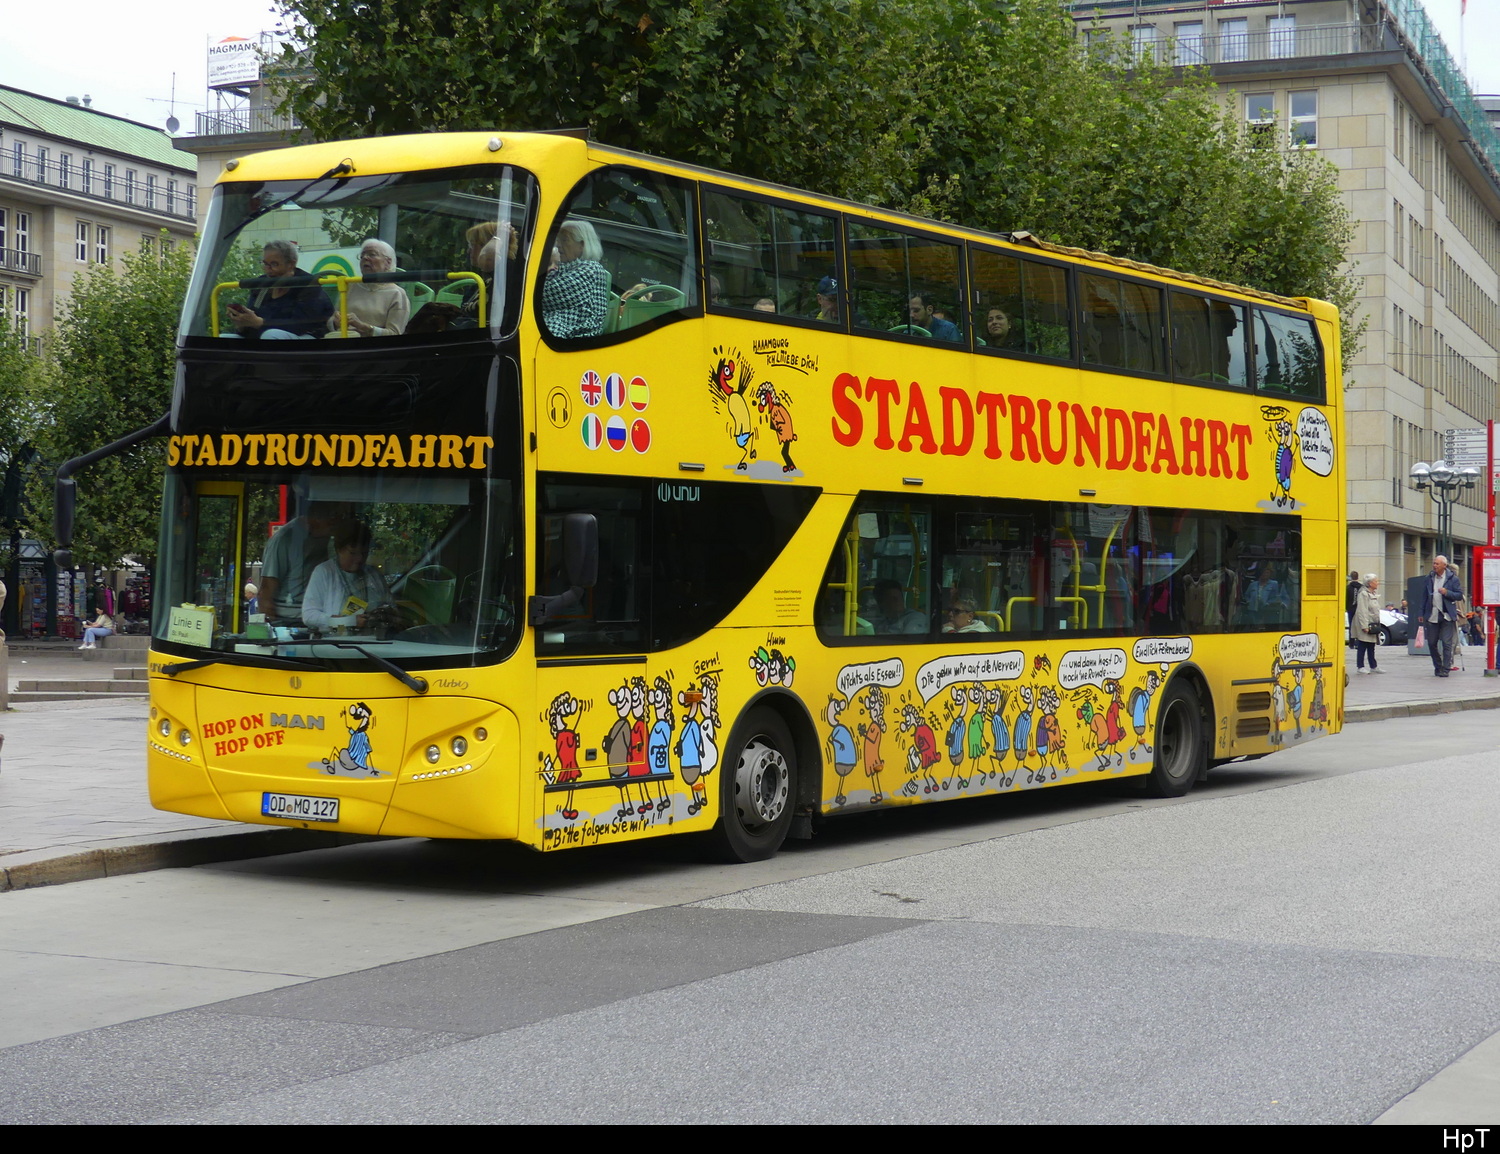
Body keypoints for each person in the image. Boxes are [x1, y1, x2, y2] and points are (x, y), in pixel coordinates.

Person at [225, 240, 334, 339]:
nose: (268, 270)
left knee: (271, 335)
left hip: (306, 337)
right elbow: (253, 318)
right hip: (263, 335)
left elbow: (301, 325)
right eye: (265, 264)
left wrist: (260, 323)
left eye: (274, 264)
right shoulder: (262, 284)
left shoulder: (308, 284)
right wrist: (242, 323)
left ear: (291, 264)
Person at [260, 502, 350, 620]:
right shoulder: (285, 539)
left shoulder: (328, 539)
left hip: (320, 615)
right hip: (290, 617)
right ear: (316, 519)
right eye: (334, 517)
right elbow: (267, 586)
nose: (338, 522)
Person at [302, 522, 393, 630]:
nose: (359, 559)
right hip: (336, 642)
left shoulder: (373, 575)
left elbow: (391, 608)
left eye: (364, 553)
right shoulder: (324, 572)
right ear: (339, 550)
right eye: (353, 553)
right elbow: (309, 615)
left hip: (372, 640)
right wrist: (348, 621)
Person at [541, 219, 610, 338]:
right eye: (558, 239)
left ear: (582, 245)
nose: (558, 244)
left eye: (565, 239)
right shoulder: (564, 268)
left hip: (576, 332)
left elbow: (546, 294)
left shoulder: (591, 269)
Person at [327, 238, 410, 338]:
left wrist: (364, 327)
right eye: (362, 256)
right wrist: (335, 322)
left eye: (372, 254)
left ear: (388, 262)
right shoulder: (350, 286)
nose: (365, 258)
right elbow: (332, 320)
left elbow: (395, 334)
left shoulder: (397, 294)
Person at [1419, 553, 1463, 677]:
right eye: (1434, 563)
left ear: (1444, 565)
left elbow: (1459, 595)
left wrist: (1447, 592)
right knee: (1432, 643)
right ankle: (1437, 666)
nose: (1434, 566)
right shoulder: (1429, 578)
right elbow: (1424, 596)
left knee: (1446, 643)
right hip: (1432, 614)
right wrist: (1421, 612)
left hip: (1446, 615)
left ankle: (1445, 668)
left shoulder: (1452, 579)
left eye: (1437, 564)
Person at [1350, 574, 1383, 673]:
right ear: (1369, 583)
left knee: (1371, 646)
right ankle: (1360, 666)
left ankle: (1373, 666)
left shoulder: (1373, 593)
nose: (1377, 583)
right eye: (1375, 581)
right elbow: (1362, 610)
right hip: (1366, 623)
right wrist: (1364, 626)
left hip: (1373, 624)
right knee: (1362, 644)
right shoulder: (1363, 594)